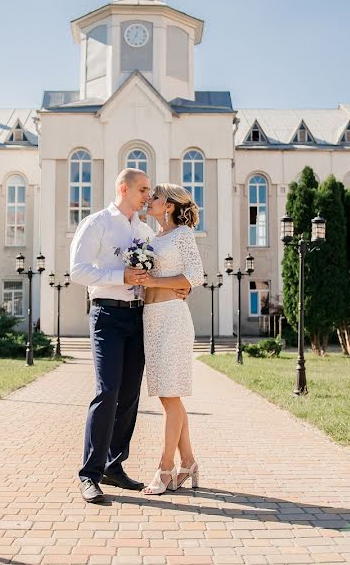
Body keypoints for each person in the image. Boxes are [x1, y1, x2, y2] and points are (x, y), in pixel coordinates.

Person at [69, 168, 190, 503]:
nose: (148, 196)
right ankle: (89, 474)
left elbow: (156, 273)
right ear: (124, 188)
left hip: (139, 317)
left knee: (129, 396)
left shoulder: (145, 230)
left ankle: (114, 466)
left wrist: (178, 288)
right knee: (106, 391)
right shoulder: (96, 223)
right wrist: (119, 275)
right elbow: (77, 270)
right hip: (106, 314)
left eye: (151, 191)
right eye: (143, 190)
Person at [138, 183, 204, 494]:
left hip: (173, 319)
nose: (149, 200)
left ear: (170, 205)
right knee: (169, 395)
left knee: (170, 395)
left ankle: (165, 468)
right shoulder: (154, 237)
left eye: (155, 197)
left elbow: (195, 276)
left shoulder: (183, 235)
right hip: (151, 318)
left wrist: (152, 280)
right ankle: (188, 462)